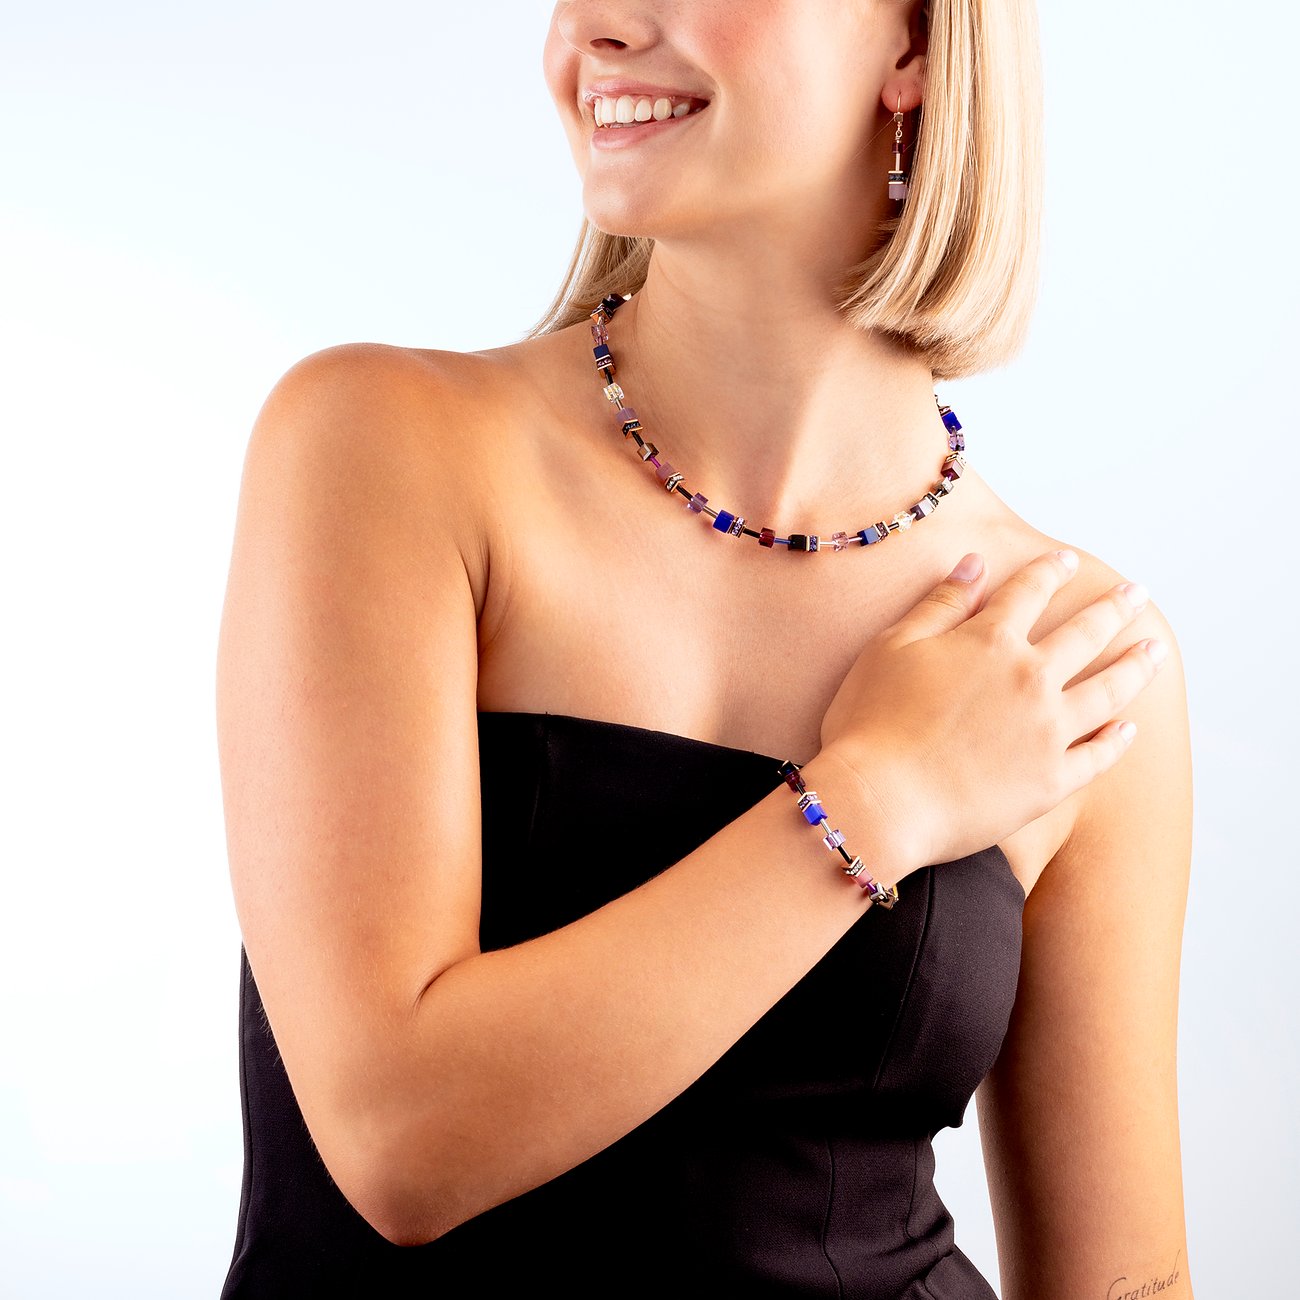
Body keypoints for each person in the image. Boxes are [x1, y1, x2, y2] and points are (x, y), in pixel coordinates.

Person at [215, 1, 1194, 1296]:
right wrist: (883, 796)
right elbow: (398, 1140)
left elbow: (1123, 1282)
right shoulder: (384, 447)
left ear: (914, 45)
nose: (598, 25)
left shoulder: (1068, 648)